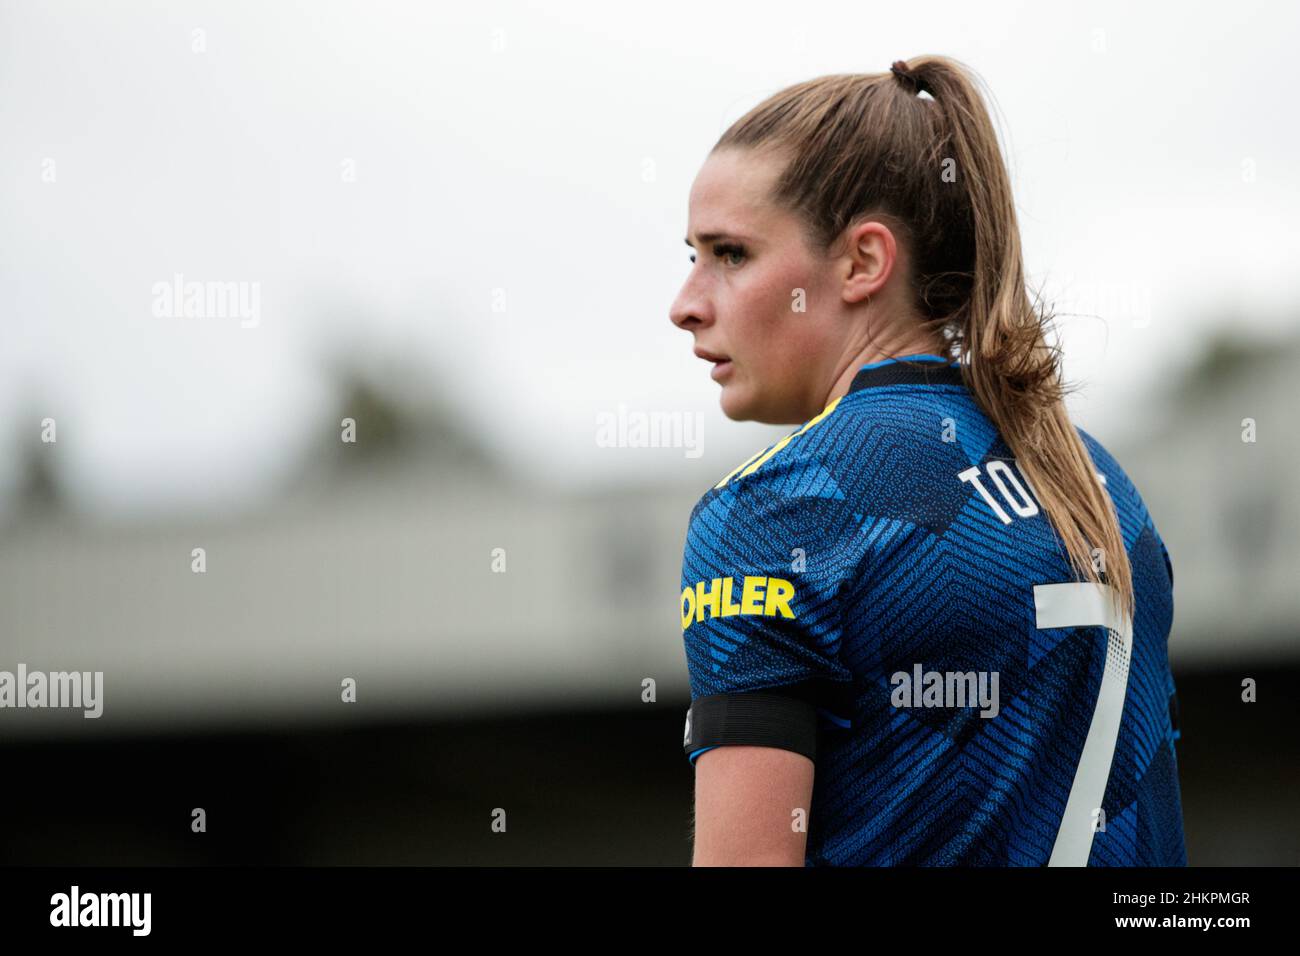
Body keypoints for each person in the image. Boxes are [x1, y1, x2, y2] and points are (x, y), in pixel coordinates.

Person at [669, 56, 1186, 866]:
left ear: (862, 263)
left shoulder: (779, 510)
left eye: (730, 254)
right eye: (692, 255)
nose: (686, 302)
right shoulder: (1095, 481)